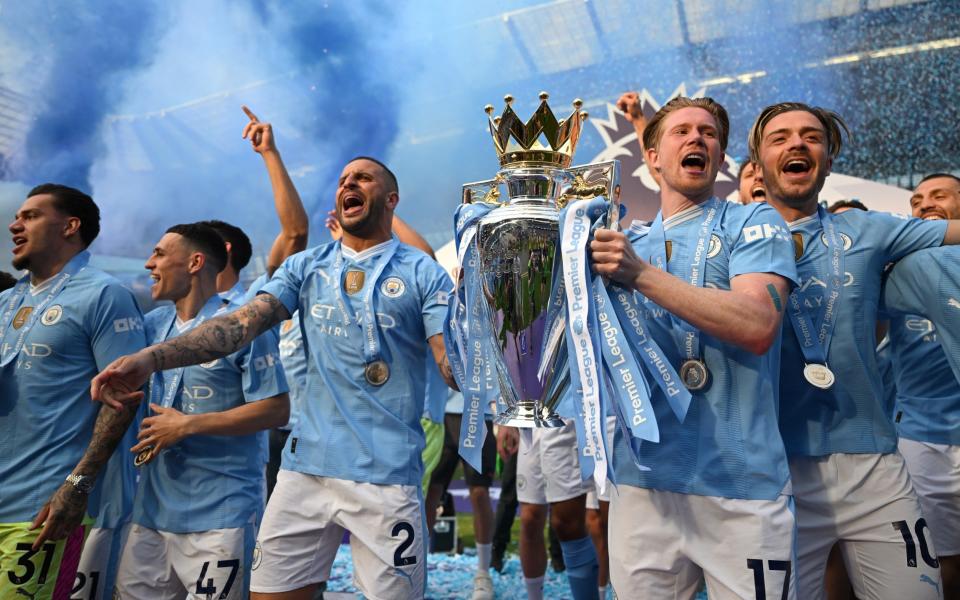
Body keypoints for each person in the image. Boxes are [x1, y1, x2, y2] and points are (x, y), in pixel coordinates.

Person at [91, 156, 456, 600]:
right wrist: (151, 358)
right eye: (343, 179)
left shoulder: (423, 273)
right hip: (303, 470)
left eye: (362, 178)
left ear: (391, 199)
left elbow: (448, 364)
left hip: (385, 474)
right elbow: (239, 326)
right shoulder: (306, 267)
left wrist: (489, 357)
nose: (348, 184)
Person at [748, 102, 960, 599]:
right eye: (779, 138)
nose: (797, 144)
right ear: (757, 165)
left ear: (827, 156)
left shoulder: (871, 230)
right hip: (775, 472)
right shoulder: (731, 238)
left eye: (811, 136)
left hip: (874, 468)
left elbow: (955, 231)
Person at [590, 96, 798, 599]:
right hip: (643, 488)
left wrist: (640, 275)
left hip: (742, 491)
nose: (697, 138)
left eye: (708, 133)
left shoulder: (754, 223)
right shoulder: (620, 241)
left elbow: (758, 323)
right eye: (680, 131)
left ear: (719, 158)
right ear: (652, 158)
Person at [110, 223, 288, 598]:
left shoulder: (240, 325)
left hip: (221, 516)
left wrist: (189, 425)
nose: (148, 264)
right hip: (150, 514)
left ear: (194, 262)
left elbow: (276, 409)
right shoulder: (151, 326)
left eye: (159, 254)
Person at [0, 184, 147, 598]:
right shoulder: (8, 301)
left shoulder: (105, 295)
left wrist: (77, 485)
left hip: (42, 510)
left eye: (30, 216)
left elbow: (123, 401)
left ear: (70, 226)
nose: (15, 224)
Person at [881, 172, 960, 598]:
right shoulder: (898, 269)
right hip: (922, 443)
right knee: (938, 563)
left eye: (939, 196)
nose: (925, 204)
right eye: (917, 200)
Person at [497, 416, 598, 600]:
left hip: (565, 413)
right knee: (529, 518)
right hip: (529, 416)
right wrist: (506, 420)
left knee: (568, 524)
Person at [425, 391, 496, 599]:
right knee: (431, 492)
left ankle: (483, 572)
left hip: (477, 412)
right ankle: (417, 567)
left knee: (480, 492)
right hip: (437, 413)